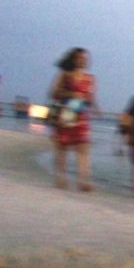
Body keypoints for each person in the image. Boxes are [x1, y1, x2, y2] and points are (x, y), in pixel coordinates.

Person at [49, 47, 97, 191]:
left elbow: (90, 97)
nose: (83, 61)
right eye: (80, 58)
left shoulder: (91, 78)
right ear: (73, 59)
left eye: (85, 58)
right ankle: (61, 178)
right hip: (66, 114)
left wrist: (94, 106)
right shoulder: (65, 74)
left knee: (83, 147)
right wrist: (71, 94)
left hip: (82, 115)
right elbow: (53, 93)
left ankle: (83, 181)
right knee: (62, 147)